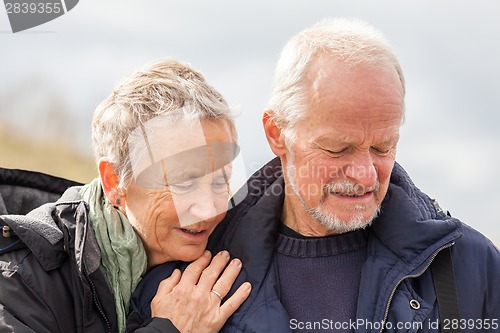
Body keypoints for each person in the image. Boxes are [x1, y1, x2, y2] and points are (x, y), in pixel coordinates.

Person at [130, 18, 500, 332]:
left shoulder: (473, 267)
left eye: (382, 147)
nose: (365, 174)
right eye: (338, 149)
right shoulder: (180, 286)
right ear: (277, 133)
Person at [0, 58, 251, 333]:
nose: (208, 210)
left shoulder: (234, 250)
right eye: (183, 183)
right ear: (114, 181)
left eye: (221, 181)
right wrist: (170, 329)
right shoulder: (19, 281)